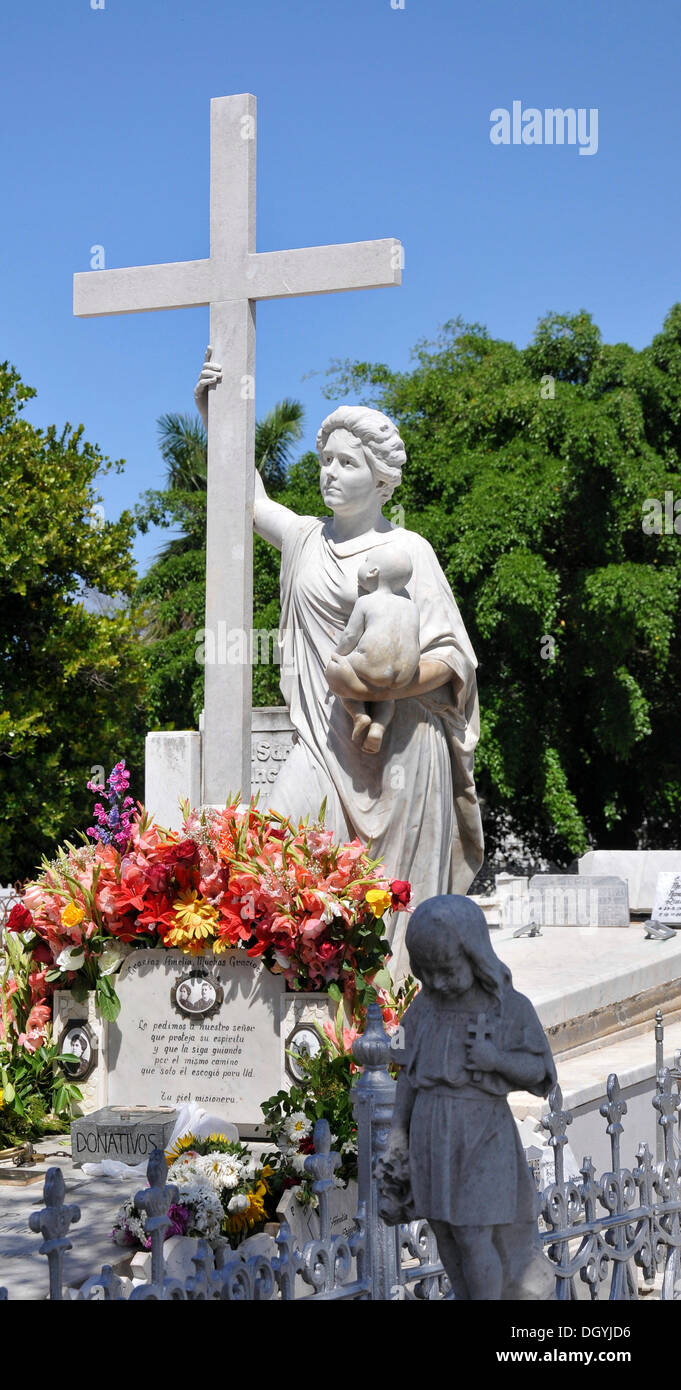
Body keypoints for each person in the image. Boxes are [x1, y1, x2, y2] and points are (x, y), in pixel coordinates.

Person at [194, 351, 483, 960]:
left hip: (404, 747)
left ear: (380, 479)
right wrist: (215, 415)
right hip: (322, 739)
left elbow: (454, 658)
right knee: (271, 850)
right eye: (325, 460)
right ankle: (296, 1014)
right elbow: (247, 500)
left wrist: (382, 684)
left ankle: (383, 1033)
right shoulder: (304, 539)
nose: (330, 472)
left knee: (393, 916)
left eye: (347, 462)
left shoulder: (409, 550)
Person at [376, 895, 556, 1301]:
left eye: (449, 971)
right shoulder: (422, 1009)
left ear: (474, 957)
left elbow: (540, 1074)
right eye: (429, 972)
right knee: (444, 1229)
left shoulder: (508, 1007)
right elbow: (406, 1075)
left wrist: (498, 1059)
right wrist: (398, 1134)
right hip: (431, 1130)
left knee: (475, 1234)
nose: (438, 983)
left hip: (481, 1133)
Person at [325, 546, 420, 754]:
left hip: (371, 665)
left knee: (335, 669)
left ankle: (359, 713)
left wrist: (339, 655)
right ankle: (379, 727)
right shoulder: (411, 607)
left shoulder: (366, 601)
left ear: (372, 572)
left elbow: (350, 636)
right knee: (388, 694)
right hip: (404, 675)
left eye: (365, 561)